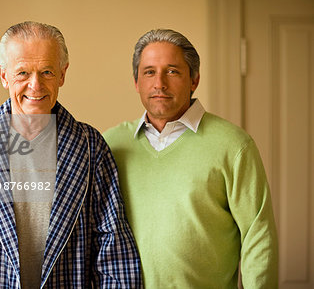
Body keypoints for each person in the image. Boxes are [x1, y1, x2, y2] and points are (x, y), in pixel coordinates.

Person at [0, 21, 142, 288]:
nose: (35, 85)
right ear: (3, 75)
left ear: (62, 74)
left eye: (47, 72)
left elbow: (114, 253)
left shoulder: (91, 145)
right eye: (23, 73)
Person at [103, 29, 278, 288]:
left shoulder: (234, 145)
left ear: (194, 79)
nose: (159, 83)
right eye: (149, 72)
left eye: (172, 71)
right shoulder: (110, 145)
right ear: (136, 81)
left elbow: (258, 236)